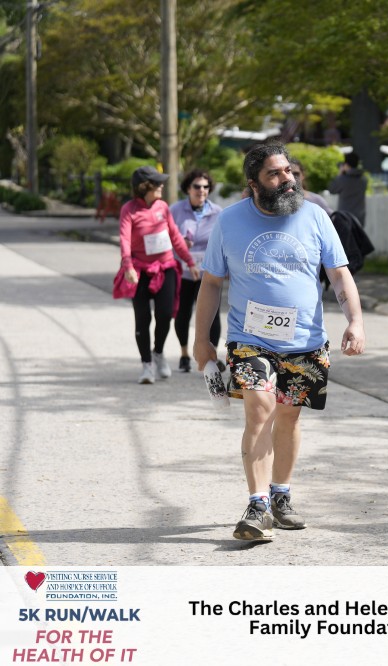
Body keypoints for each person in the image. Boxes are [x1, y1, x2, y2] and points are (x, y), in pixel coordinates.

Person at [193, 142, 366, 542]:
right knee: (260, 409)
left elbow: (338, 274)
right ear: (253, 183)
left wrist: (355, 321)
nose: (286, 179)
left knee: (289, 417)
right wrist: (202, 340)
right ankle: (257, 506)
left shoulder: (315, 216)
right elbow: (212, 283)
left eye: (288, 170)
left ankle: (280, 496)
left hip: (305, 340)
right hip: (249, 338)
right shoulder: (230, 221)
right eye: (274, 173)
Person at [117, 165, 199, 384]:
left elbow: (175, 237)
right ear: (144, 186)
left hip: (165, 268)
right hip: (140, 271)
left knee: (165, 314)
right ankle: (147, 365)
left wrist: (190, 262)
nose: (162, 186)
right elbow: (124, 240)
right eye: (157, 183)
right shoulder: (129, 210)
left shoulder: (163, 207)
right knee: (142, 318)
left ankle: (158, 352)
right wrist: (128, 266)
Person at [169, 169, 223, 372]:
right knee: (183, 313)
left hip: (209, 273)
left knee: (213, 315)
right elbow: (166, 238)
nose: (202, 190)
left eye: (206, 187)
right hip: (183, 272)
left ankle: (212, 357)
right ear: (188, 188)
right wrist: (179, 244)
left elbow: (224, 241)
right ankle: (184, 354)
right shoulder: (175, 210)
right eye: (197, 186)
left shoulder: (218, 212)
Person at [328, 152, 368, 227]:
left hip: (344, 218)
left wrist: (340, 173)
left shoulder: (342, 179)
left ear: (346, 165)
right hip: (359, 218)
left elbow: (332, 190)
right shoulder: (363, 180)